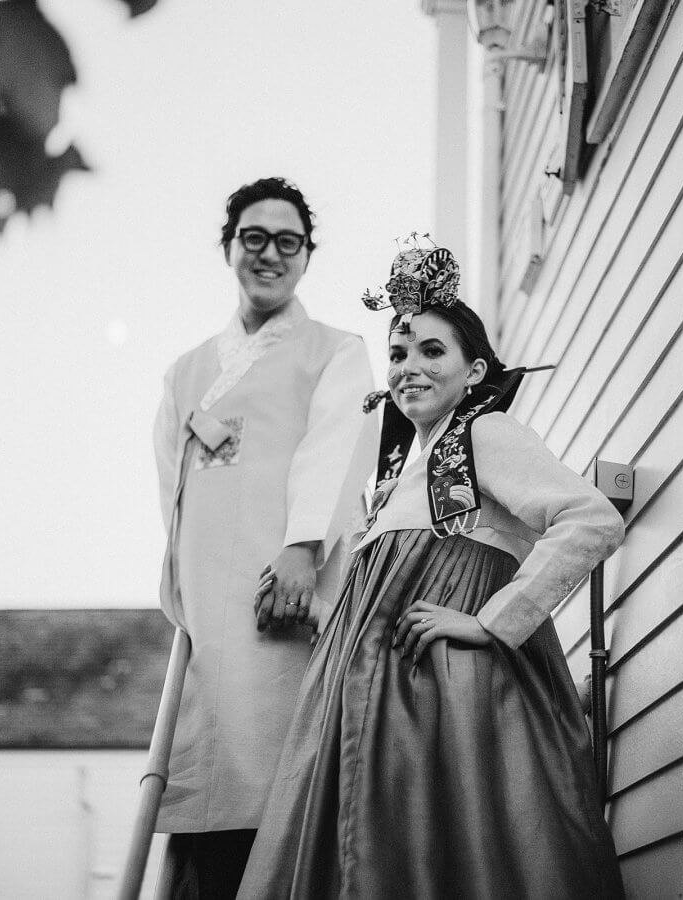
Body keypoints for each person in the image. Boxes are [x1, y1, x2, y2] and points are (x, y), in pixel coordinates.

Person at [238, 242, 627, 899]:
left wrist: (490, 621)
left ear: (474, 370)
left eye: (431, 351)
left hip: (452, 709)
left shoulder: (480, 436)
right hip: (374, 715)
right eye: (397, 354)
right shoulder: (403, 478)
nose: (409, 368)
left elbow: (592, 520)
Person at [153, 177, 378, 896]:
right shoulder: (187, 371)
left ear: (307, 256)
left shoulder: (334, 351)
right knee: (207, 766)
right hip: (207, 605)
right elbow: (172, 485)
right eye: (255, 238)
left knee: (282, 764)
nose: (270, 254)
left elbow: (337, 450)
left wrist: (303, 547)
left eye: (289, 242)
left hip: (285, 591)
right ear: (230, 248)